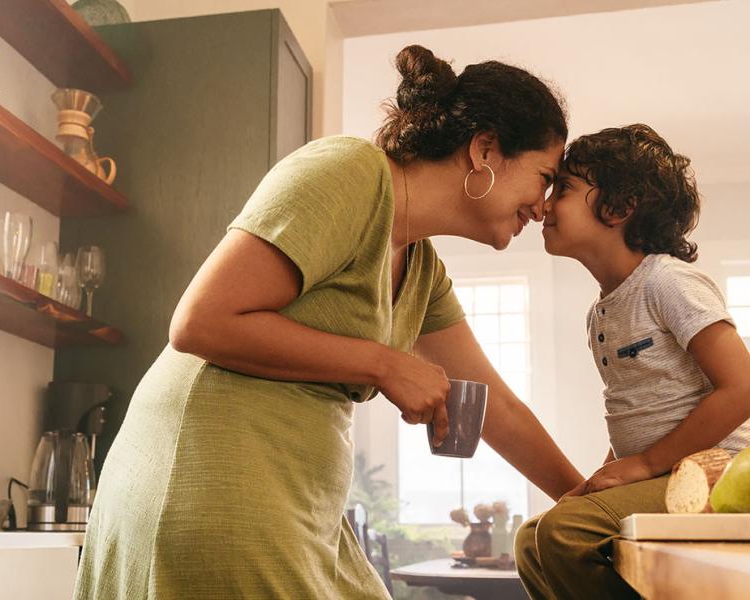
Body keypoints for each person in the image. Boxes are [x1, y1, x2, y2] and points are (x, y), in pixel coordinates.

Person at [74, 45, 583, 600]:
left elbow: (496, 405)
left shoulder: (422, 268)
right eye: (545, 176)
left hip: (298, 501)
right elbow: (200, 322)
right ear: (485, 148)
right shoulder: (350, 173)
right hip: (210, 478)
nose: (543, 207)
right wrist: (385, 364)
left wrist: (587, 501)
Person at [516, 124, 750, 600]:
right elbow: (635, 412)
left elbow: (743, 386)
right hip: (661, 471)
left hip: (714, 475)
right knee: (530, 540)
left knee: (564, 532)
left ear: (620, 208)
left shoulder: (667, 282)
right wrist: (608, 474)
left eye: (563, 189)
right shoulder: (601, 312)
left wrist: (644, 463)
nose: (543, 205)